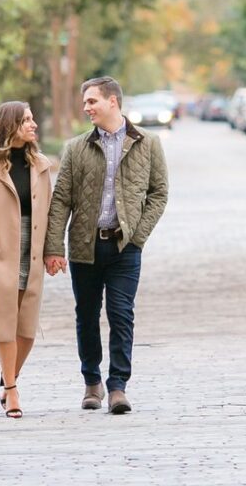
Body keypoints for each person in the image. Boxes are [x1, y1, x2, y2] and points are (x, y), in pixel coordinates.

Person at [44, 76, 168, 414]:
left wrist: (138, 236)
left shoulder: (148, 143)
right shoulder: (75, 148)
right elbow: (60, 202)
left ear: (113, 102)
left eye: (92, 101)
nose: (86, 108)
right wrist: (53, 248)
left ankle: (118, 387)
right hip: (85, 246)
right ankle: (91, 382)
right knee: (86, 315)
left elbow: (159, 194)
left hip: (124, 248)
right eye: (85, 102)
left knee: (120, 314)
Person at [0, 101, 53, 419]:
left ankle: (7, 379)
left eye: (32, 119)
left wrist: (53, 251)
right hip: (0, 252)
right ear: (10, 126)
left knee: (27, 328)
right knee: (5, 322)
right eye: (26, 120)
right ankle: (13, 392)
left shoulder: (41, 165)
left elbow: (50, 214)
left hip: (32, 249)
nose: (33, 124)